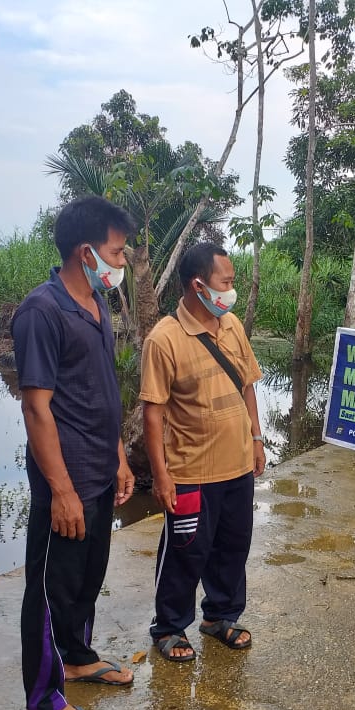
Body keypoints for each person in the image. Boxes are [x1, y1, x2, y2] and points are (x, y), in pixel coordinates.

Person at [12, 196, 137, 710]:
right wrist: (61, 491)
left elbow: (101, 390)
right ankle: (42, 702)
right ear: (86, 252)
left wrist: (120, 458)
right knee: (49, 589)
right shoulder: (41, 311)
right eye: (117, 250)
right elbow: (36, 409)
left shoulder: (97, 303)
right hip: (65, 478)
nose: (123, 260)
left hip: (100, 471)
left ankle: (78, 658)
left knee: (87, 577)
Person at [140, 242, 266, 663]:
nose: (231, 290)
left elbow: (246, 385)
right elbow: (153, 414)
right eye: (225, 282)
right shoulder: (164, 339)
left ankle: (221, 616)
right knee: (185, 551)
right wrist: (161, 475)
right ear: (198, 285)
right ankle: (169, 627)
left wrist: (256, 440)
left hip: (237, 467)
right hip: (191, 471)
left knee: (233, 546)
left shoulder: (232, 325)